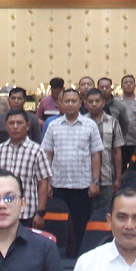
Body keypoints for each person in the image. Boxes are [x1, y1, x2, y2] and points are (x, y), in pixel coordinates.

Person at [42, 88, 103, 258]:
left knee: (80, 224)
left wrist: (95, 181)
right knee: (57, 223)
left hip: (82, 185)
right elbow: (47, 154)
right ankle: (58, 255)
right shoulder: (53, 126)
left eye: (73, 101)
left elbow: (96, 155)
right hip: (58, 184)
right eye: (66, 101)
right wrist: (46, 183)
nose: (70, 104)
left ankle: (79, 256)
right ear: (60, 104)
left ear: (80, 103)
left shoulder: (90, 125)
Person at [0, 110, 53, 226]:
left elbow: (43, 183)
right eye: (11, 123)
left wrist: (40, 213)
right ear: (6, 126)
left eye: (19, 123)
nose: (15, 127)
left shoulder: (37, 151)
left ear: (27, 126)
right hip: (2, 212)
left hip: (27, 214)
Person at [82, 87, 125, 207]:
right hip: (84, 179)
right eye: (90, 102)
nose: (94, 104)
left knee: (105, 215)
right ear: (85, 104)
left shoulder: (113, 122)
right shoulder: (81, 123)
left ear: (103, 102)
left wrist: (118, 178)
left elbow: (117, 152)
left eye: (97, 101)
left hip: (107, 178)